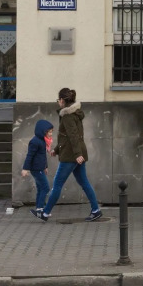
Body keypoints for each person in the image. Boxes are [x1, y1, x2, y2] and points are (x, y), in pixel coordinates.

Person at [32, 88, 103, 222]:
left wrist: (76, 154)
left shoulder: (67, 116)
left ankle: (45, 213)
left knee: (58, 184)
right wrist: (57, 150)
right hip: (75, 154)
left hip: (71, 156)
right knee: (84, 182)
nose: (58, 102)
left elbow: (73, 136)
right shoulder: (74, 113)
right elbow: (66, 137)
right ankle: (96, 210)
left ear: (62, 101)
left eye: (58, 100)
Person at [21, 119, 54, 214]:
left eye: (52, 132)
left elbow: (43, 156)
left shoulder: (43, 141)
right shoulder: (35, 142)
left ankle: (40, 207)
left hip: (40, 168)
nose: (51, 134)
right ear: (43, 131)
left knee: (40, 188)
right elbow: (29, 155)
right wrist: (25, 168)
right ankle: (40, 208)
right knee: (45, 187)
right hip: (36, 169)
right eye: (49, 132)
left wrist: (45, 167)